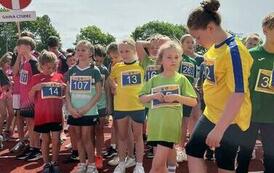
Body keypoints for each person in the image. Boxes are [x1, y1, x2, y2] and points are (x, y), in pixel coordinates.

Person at [184, 1, 253, 173]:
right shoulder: (213, 48)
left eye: (198, 37)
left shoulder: (234, 51)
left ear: (210, 28)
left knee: (224, 164)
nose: (197, 43)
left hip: (230, 120)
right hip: (211, 114)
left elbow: (239, 94)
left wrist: (219, 129)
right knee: (192, 150)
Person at [139, 41, 197, 173]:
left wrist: (177, 97)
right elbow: (141, 98)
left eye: (176, 57)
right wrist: (153, 96)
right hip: (155, 127)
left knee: (156, 165)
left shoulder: (181, 79)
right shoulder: (154, 79)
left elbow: (193, 102)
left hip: (170, 127)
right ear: (161, 60)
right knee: (160, 166)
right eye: (169, 57)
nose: (173, 61)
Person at [236, 12, 274, 173]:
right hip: (249, 115)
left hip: (271, 118)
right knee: (244, 155)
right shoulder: (251, 55)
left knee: (272, 159)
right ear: (265, 30)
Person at [109, 38, 145, 173]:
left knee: (138, 137)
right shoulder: (117, 67)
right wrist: (114, 86)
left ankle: (139, 164)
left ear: (134, 50)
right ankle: (122, 163)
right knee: (122, 136)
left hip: (137, 106)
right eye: (121, 51)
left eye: (127, 51)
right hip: (121, 106)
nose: (124, 54)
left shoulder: (141, 64)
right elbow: (110, 78)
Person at [66, 40, 101, 173]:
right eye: (78, 50)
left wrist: (86, 108)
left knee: (87, 138)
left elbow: (98, 93)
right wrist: (70, 107)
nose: (80, 52)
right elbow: (67, 92)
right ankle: (82, 163)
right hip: (74, 110)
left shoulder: (94, 70)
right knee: (78, 138)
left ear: (90, 53)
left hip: (89, 111)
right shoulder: (72, 70)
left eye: (83, 50)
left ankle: (91, 164)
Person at [29, 51, 66, 173]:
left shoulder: (59, 77)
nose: (51, 69)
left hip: (56, 115)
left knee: (56, 140)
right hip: (42, 115)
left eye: (53, 67)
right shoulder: (35, 78)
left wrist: (64, 88)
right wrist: (35, 88)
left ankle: (55, 162)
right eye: (48, 67)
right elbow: (30, 98)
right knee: (45, 140)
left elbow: (64, 95)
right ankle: (46, 163)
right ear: (41, 65)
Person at [13, 37, 42, 161]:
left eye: (21, 45)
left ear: (29, 47)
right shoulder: (25, 62)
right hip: (25, 99)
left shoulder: (33, 63)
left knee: (34, 124)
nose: (18, 47)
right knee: (30, 124)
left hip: (32, 100)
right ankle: (32, 146)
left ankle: (37, 149)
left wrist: (34, 96)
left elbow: (39, 80)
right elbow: (16, 74)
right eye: (18, 46)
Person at [94, 44, 110, 169]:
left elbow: (107, 90)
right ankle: (89, 158)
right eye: (96, 60)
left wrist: (108, 107)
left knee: (99, 131)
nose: (98, 63)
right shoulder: (85, 69)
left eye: (101, 61)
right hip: (87, 107)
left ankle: (98, 156)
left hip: (101, 105)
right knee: (87, 133)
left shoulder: (105, 70)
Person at [0, 53, 13, 148]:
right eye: (7, 62)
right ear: (3, 62)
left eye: (10, 62)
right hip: (2, 94)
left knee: (12, 113)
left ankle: (6, 130)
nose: (9, 64)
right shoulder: (0, 71)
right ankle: (0, 133)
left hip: (9, 94)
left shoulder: (10, 71)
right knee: (3, 114)